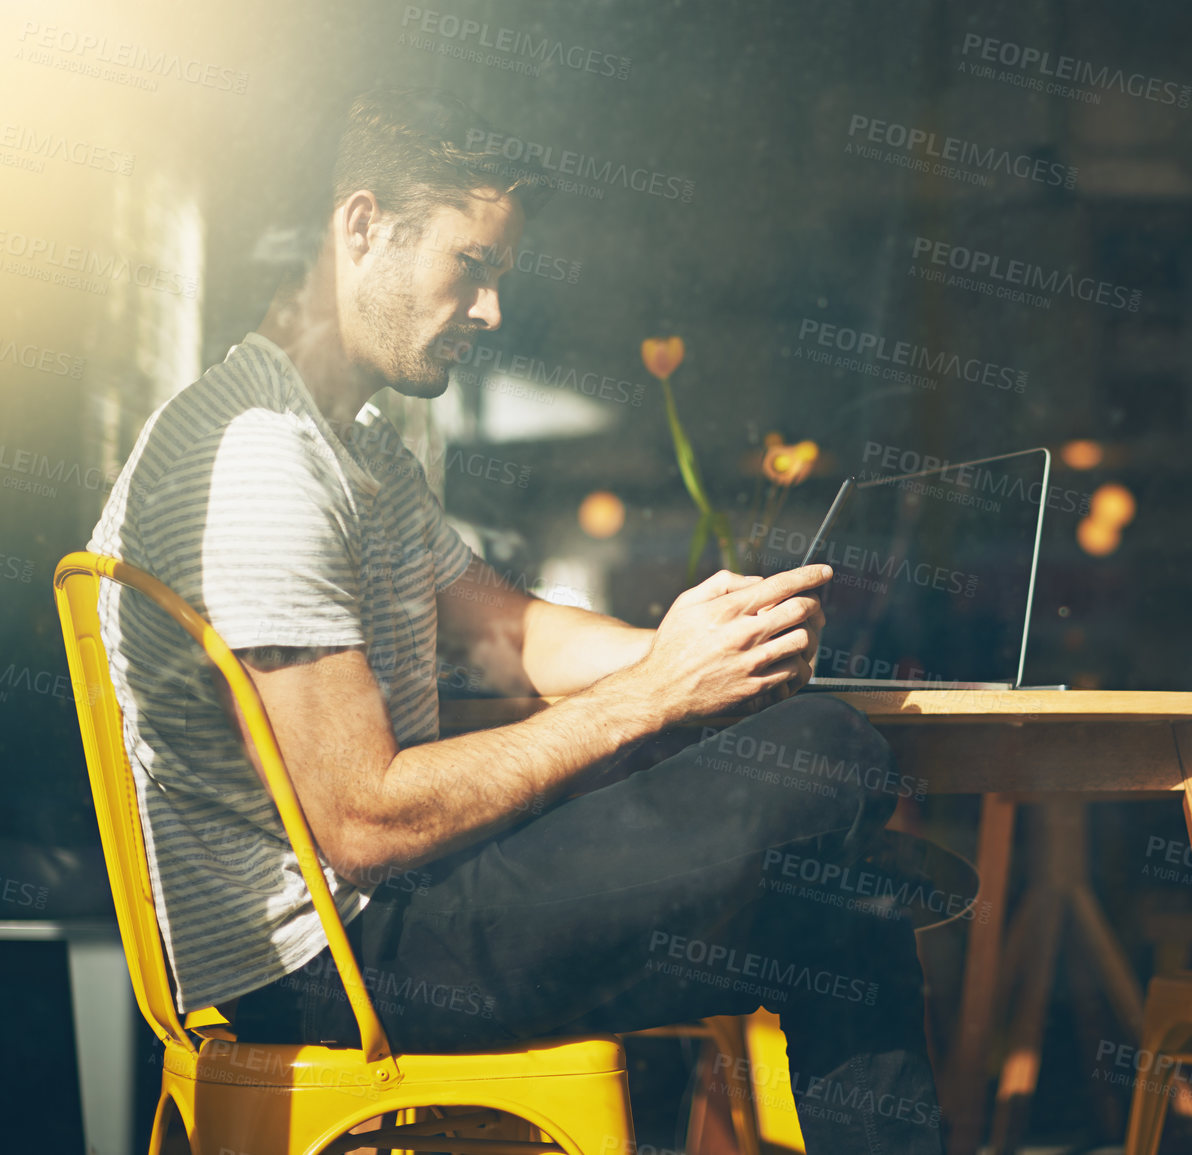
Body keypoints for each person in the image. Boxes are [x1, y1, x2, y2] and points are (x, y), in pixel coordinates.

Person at [89, 87, 944, 1155]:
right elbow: (363, 822)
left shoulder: (356, 450)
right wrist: (655, 694)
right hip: (337, 964)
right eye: (473, 268)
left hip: (401, 919)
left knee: (847, 914)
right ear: (361, 229)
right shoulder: (260, 463)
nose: (492, 312)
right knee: (821, 752)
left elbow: (512, 633)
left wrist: (715, 643)